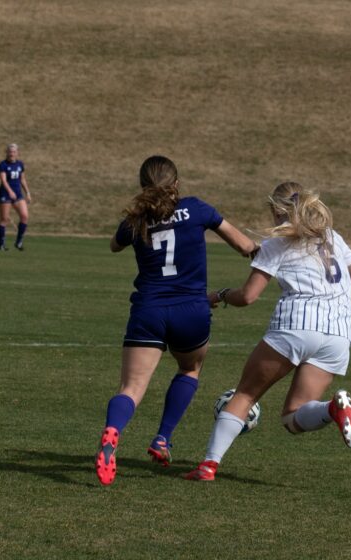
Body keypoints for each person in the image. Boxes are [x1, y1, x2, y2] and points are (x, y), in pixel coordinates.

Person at [184, 182, 351, 482]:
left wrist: (219, 295)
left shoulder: (275, 244)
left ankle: (208, 466)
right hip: (340, 333)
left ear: (277, 210)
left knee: (245, 395)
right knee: (293, 418)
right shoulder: (332, 238)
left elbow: (248, 296)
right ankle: (333, 408)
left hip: (297, 324)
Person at [95, 155, 258, 486]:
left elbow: (114, 246)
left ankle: (113, 432)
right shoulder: (197, 209)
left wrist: (140, 218)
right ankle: (162, 438)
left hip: (149, 310)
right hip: (192, 311)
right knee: (189, 369)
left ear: (143, 186)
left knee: (131, 387)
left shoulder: (135, 220)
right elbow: (245, 246)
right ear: (177, 184)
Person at [0, 143, 32, 251]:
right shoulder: (3, 164)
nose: (12, 154)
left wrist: (28, 193)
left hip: (18, 194)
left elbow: (22, 179)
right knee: (4, 219)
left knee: (25, 216)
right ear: (6, 152)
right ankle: (1, 244)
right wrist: (10, 191)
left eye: (14, 152)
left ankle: (19, 242)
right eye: (10, 152)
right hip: (5, 194)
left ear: (17, 153)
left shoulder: (20, 164)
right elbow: (3, 180)